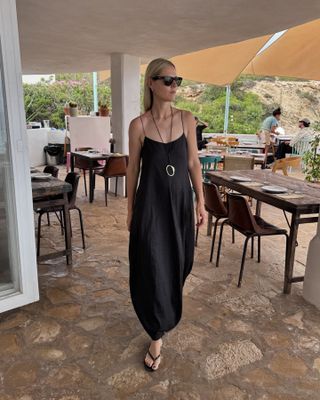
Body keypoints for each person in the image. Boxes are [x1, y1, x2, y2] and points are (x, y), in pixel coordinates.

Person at [127, 58, 206, 372]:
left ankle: (164, 309)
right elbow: (133, 170)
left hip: (179, 206)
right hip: (150, 206)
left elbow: (193, 164)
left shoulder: (187, 118)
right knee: (152, 264)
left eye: (178, 80)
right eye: (168, 80)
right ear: (151, 83)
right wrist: (131, 209)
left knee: (178, 263)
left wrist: (201, 201)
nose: (175, 86)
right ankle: (156, 334)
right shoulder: (139, 125)